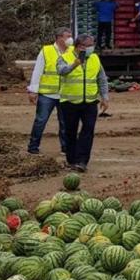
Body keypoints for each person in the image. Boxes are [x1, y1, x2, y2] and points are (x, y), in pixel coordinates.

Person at [56, 34, 108, 172]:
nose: (91, 48)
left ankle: (82, 161)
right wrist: (74, 64)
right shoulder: (65, 57)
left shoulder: (95, 58)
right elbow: (61, 71)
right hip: (70, 102)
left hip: (90, 102)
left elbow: (101, 78)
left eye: (92, 45)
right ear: (79, 46)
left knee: (88, 130)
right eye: (88, 46)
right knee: (70, 131)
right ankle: (71, 159)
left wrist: (105, 97)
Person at [26, 27, 74, 155]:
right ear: (59, 38)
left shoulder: (72, 51)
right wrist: (33, 90)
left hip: (65, 94)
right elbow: (38, 71)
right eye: (67, 36)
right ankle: (33, 146)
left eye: (70, 36)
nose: (70, 39)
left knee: (65, 122)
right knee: (41, 120)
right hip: (47, 94)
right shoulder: (46, 51)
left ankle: (66, 147)